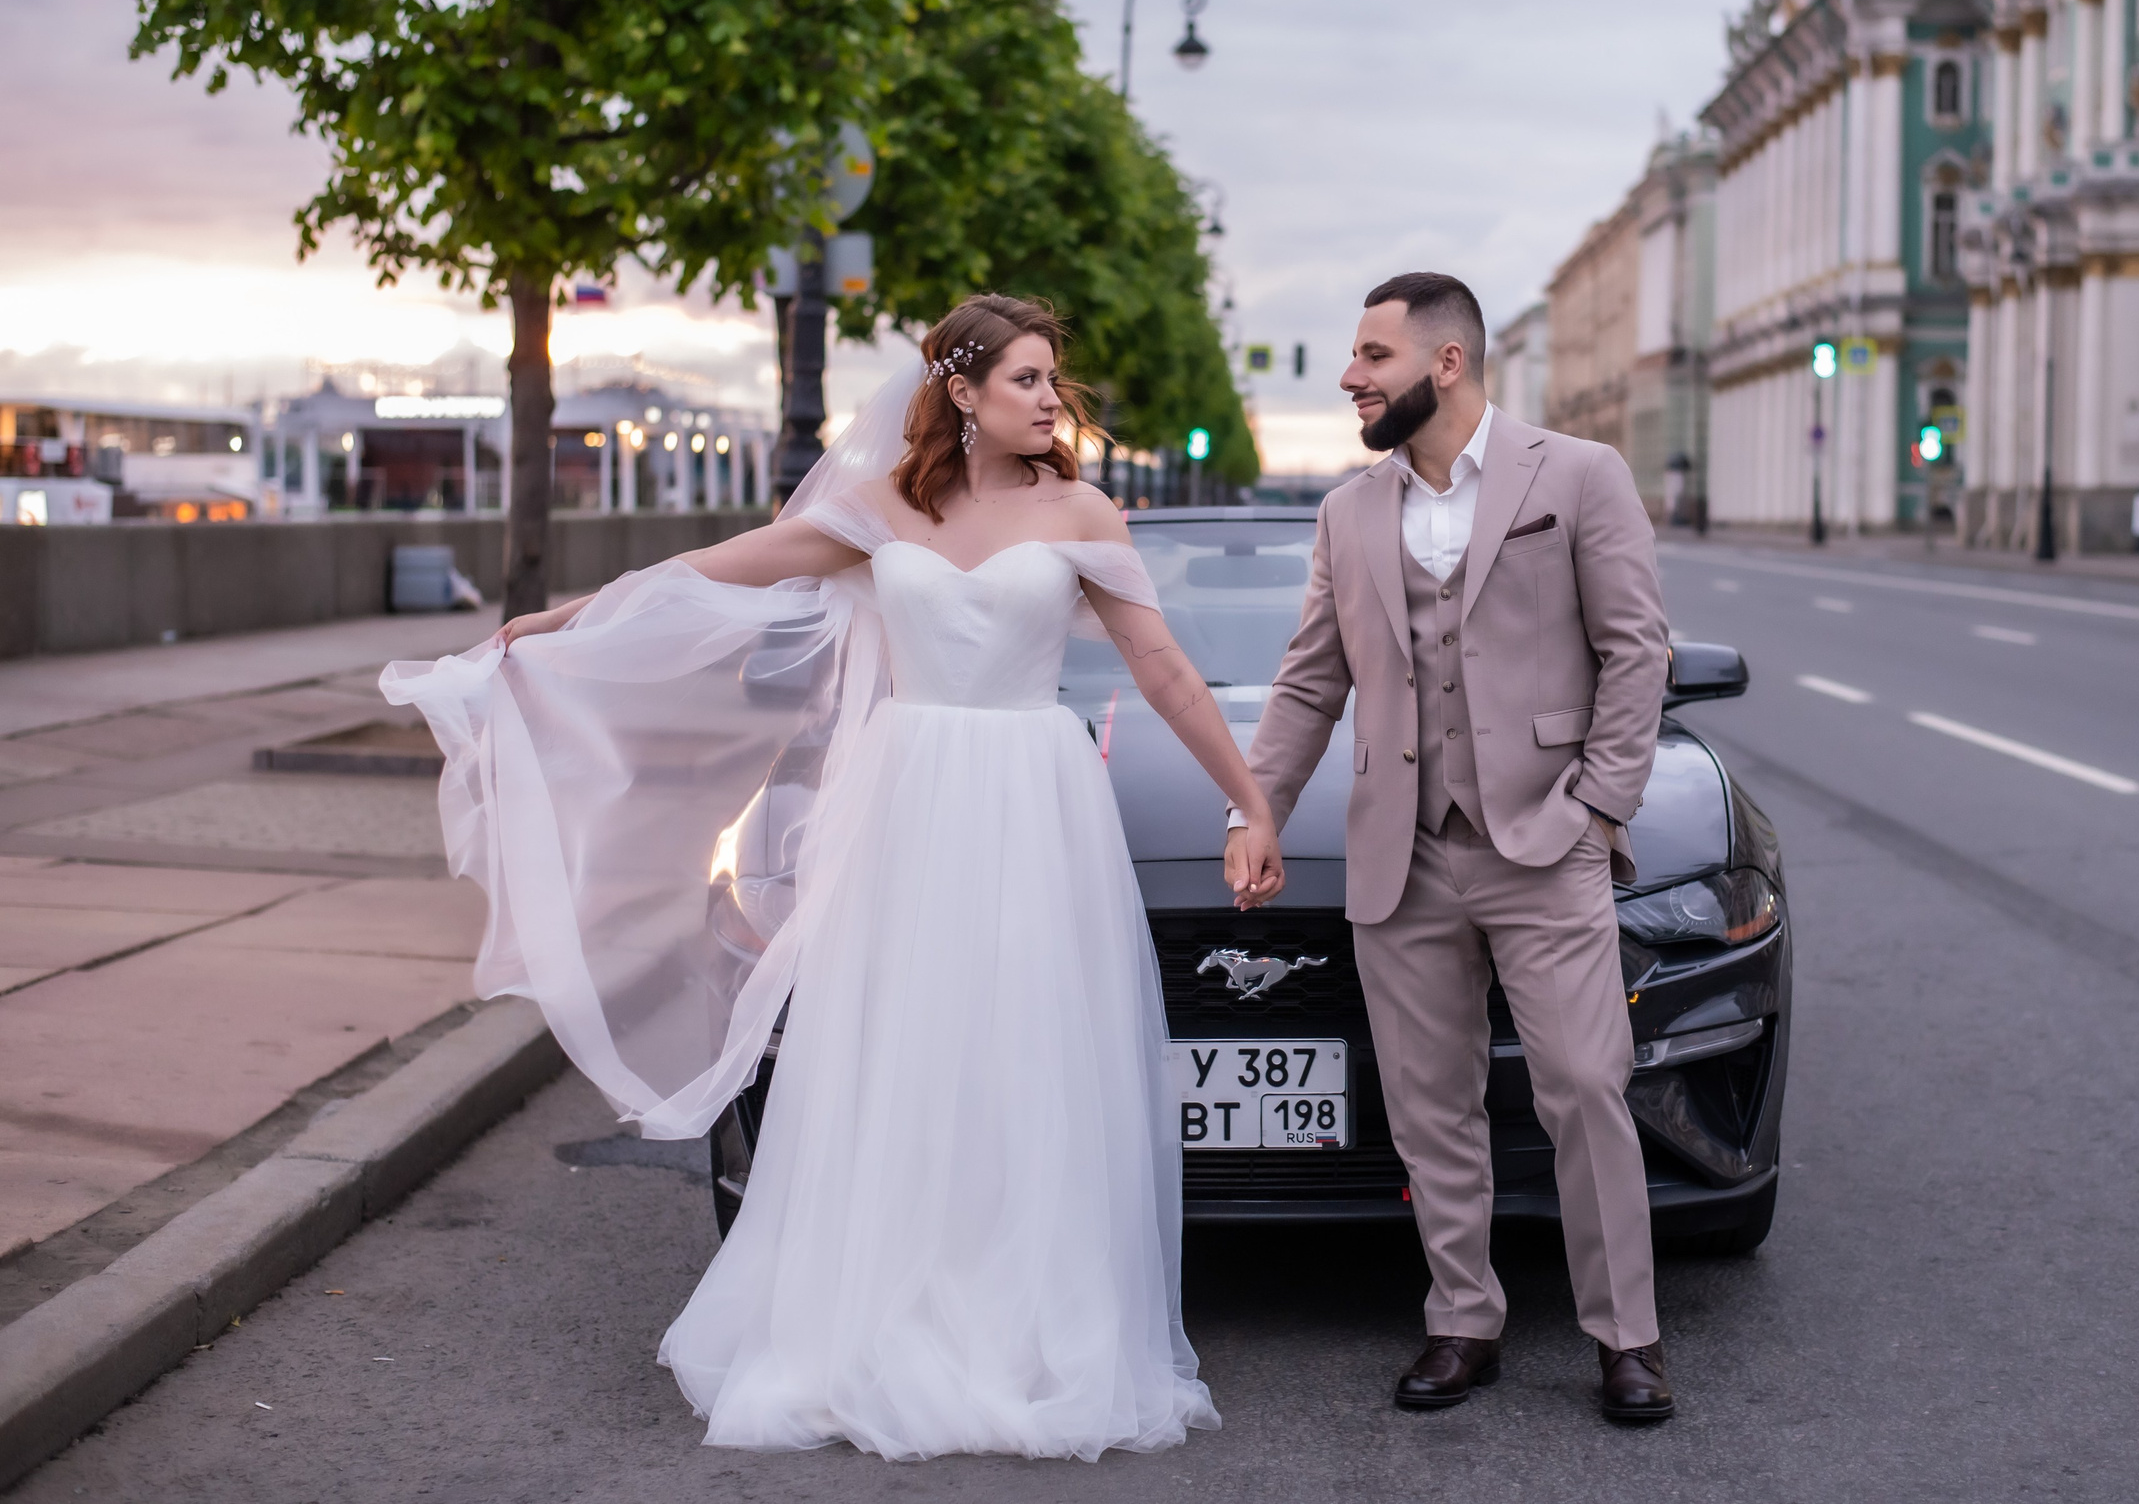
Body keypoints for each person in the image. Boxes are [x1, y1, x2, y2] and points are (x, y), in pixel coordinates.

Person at [383, 293, 1283, 1462]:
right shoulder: (879, 509)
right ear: (961, 392)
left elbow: (1161, 667)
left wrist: (1249, 799)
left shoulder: (1081, 509)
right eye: (1024, 378)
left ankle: (1023, 1320)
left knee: (1022, 1045)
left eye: (1050, 378)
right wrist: (565, 618)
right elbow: (714, 571)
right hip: (908, 801)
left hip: (1031, 799)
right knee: (902, 1045)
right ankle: (885, 1311)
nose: (1048, 398)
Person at [1223, 272, 1674, 1423]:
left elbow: (1636, 649)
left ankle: (1626, 1334)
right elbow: (1309, 680)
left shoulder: (1576, 474)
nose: (1350, 376)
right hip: (1403, 849)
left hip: (1545, 840)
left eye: (1372, 355)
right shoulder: (1347, 512)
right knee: (1430, 1106)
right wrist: (1254, 809)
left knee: (1586, 1085)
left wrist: (1599, 807)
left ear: (1447, 361)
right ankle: (1462, 1318)